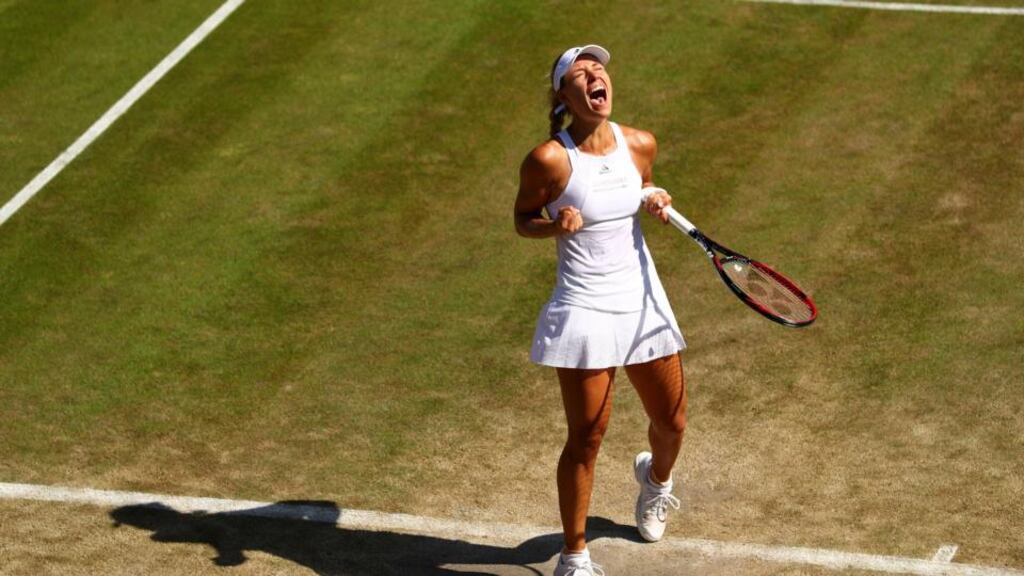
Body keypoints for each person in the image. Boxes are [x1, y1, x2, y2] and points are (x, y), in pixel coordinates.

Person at [513, 45, 688, 576]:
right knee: (586, 437)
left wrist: (653, 195)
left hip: (640, 301)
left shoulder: (639, 144)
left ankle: (655, 482)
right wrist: (553, 226)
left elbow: (635, 187)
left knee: (673, 422)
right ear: (565, 96)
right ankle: (575, 556)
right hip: (586, 307)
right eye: (580, 73)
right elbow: (523, 219)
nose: (595, 76)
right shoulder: (549, 159)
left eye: (599, 69)